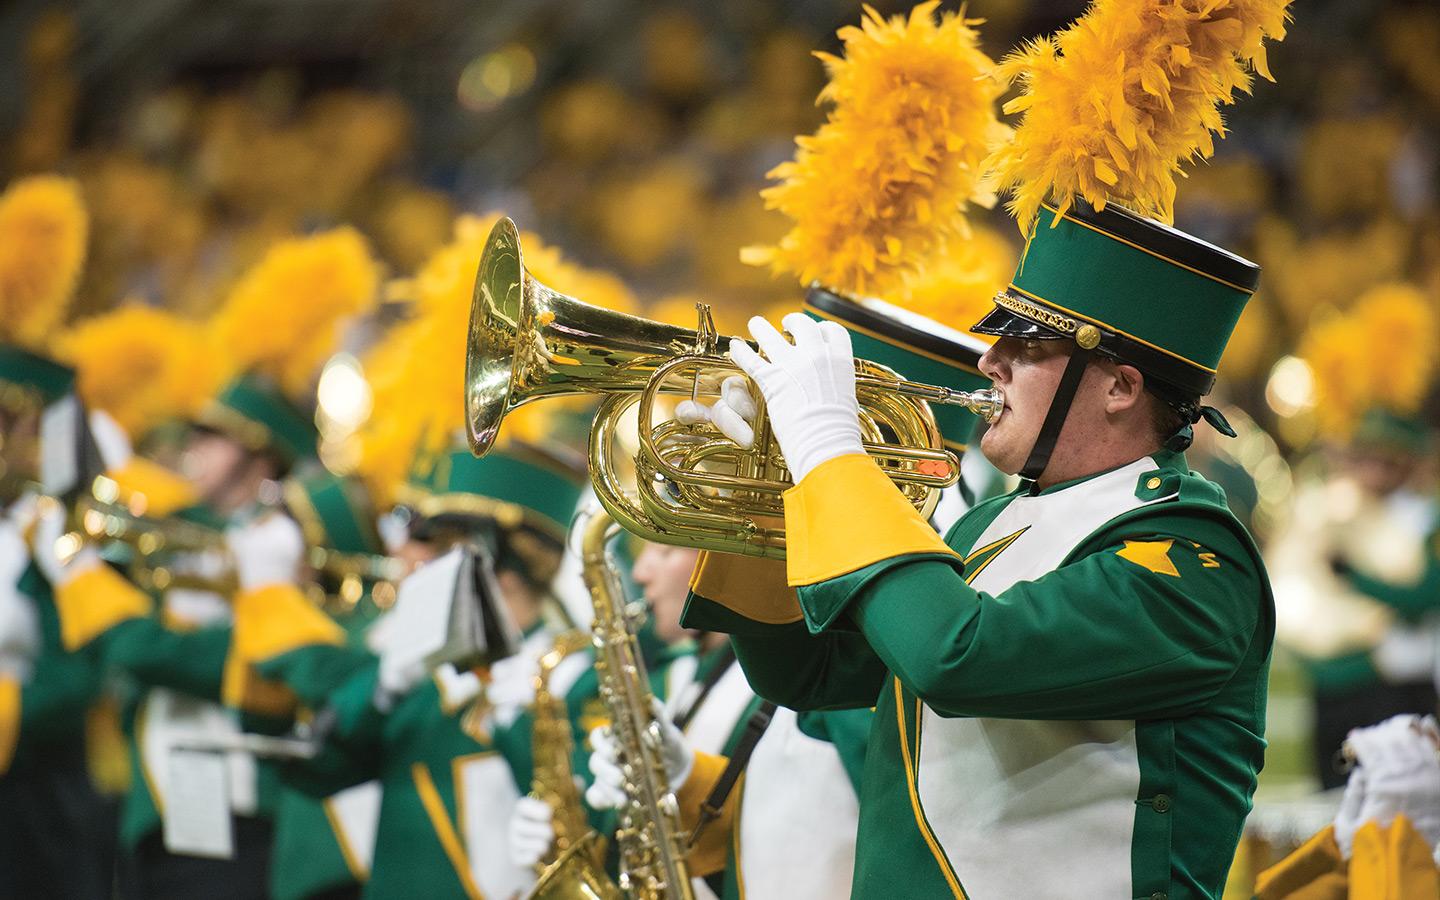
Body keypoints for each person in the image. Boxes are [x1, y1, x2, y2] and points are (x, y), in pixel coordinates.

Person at [680, 200, 1275, 898]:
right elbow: (811, 675)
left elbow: (956, 656)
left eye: (1027, 348)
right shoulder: (989, 523)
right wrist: (772, 491)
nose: (988, 360)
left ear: (1120, 386)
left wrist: (832, 454)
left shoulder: (1192, 559)